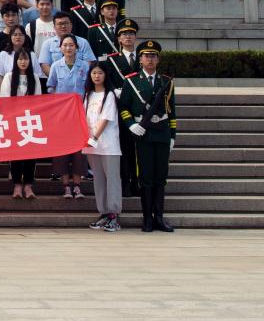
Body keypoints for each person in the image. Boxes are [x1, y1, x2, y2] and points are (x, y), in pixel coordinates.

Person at [120, 39, 177, 232]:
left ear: (158, 59)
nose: (150, 59)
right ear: (140, 59)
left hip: (162, 132)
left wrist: (172, 136)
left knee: (161, 176)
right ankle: (147, 218)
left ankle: (159, 217)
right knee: (146, 177)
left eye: (153, 56)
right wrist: (131, 124)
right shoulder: (131, 80)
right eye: (146, 56)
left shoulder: (166, 82)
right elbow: (124, 107)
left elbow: (172, 111)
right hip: (143, 133)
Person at [0, 33, 39, 200]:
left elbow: (38, 101)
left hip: (29, 121)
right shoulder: (8, 77)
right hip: (14, 120)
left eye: (26, 59)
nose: (23, 62)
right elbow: (4, 100)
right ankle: (17, 185)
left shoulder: (34, 77)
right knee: (15, 155)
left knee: (30, 155)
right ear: (16, 61)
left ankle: (28, 185)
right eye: (20, 59)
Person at [45, 34, 90, 198]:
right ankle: (66, 187)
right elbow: (50, 87)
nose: (68, 48)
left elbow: (89, 89)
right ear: (60, 48)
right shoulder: (56, 66)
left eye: (71, 45)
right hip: (61, 116)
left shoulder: (84, 66)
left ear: (77, 48)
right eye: (65, 45)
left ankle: (77, 186)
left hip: (79, 115)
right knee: (62, 151)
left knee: (79, 152)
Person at [82, 60, 124, 232]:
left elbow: (105, 119)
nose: (97, 76)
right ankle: (104, 213)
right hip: (92, 146)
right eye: (94, 73)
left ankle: (114, 215)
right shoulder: (88, 95)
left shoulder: (110, 95)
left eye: (100, 73)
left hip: (108, 145)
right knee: (98, 179)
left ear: (106, 75)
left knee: (112, 179)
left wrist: (94, 137)